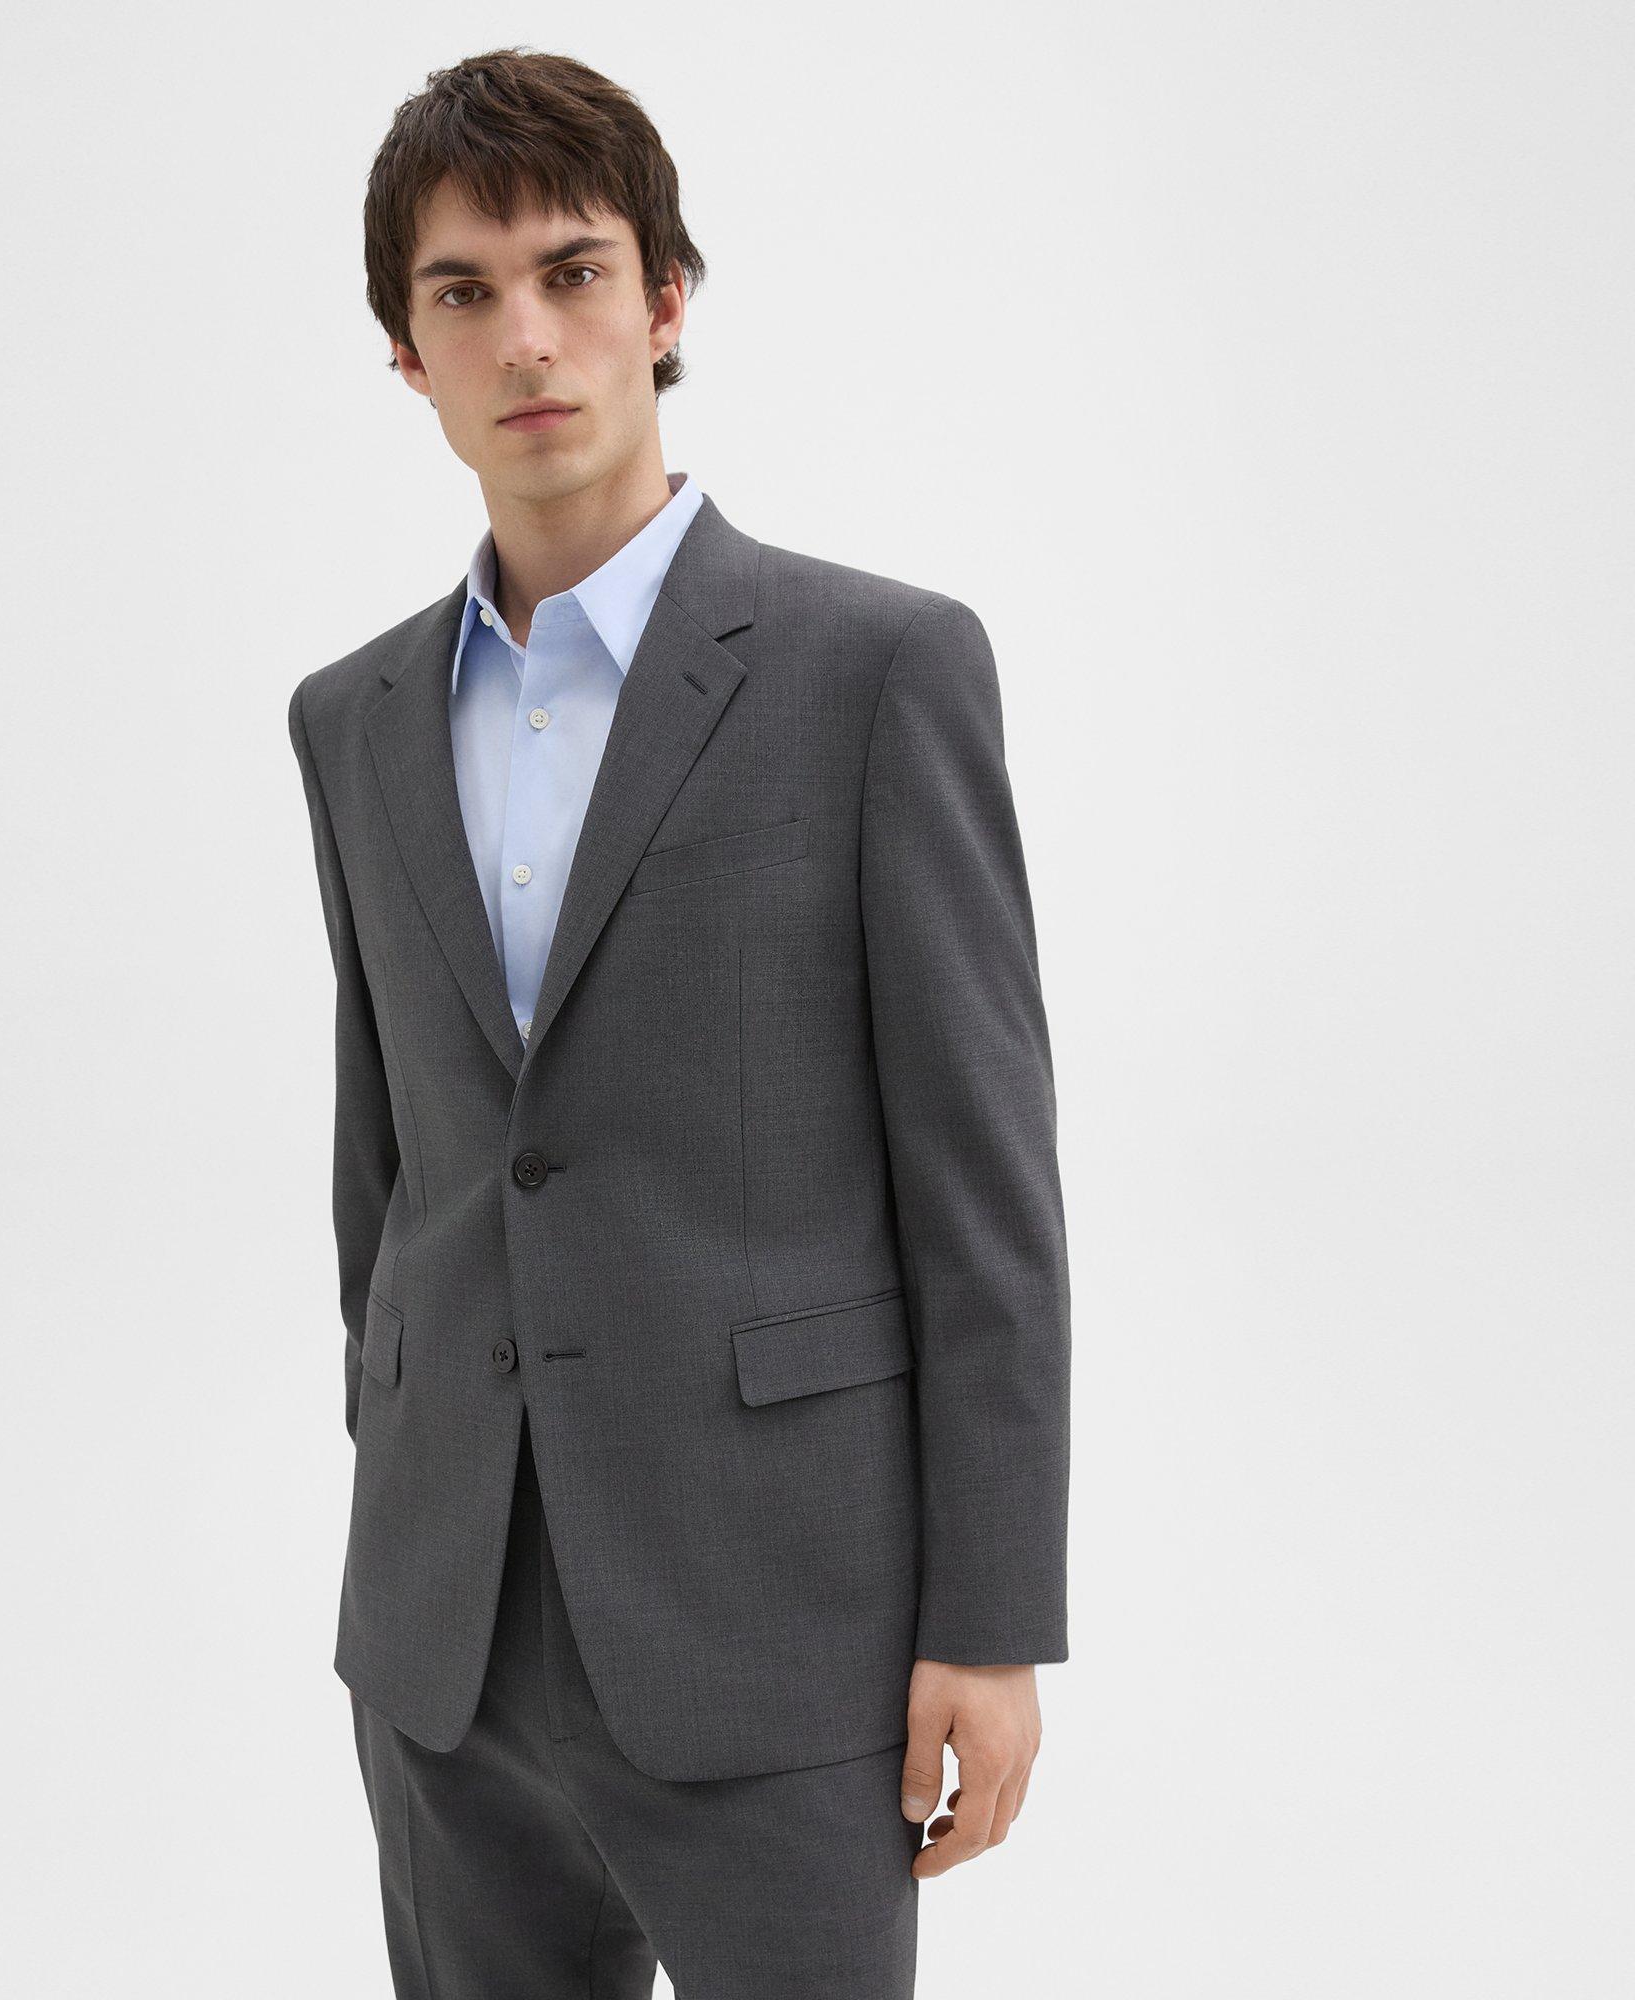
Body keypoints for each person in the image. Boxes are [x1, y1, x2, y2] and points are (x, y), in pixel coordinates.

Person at [288, 46, 1071, 1998]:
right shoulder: (351, 720)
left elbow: (983, 1195)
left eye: (572, 271)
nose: (525, 337)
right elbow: (388, 1166)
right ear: (404, 352)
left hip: (780, 1632)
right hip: (444, 1645)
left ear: (664, 300)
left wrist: (989, 1622)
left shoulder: (876, 670)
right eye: (462, 291)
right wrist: (405, 1482)